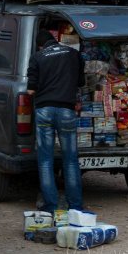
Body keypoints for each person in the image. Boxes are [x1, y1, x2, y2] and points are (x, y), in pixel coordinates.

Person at [27, 29, 85, 214]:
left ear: (40, 45)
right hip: (67, 111)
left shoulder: (38, 57)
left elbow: (30, 91)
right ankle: (75, 206)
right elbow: (81, 82)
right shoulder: (73, 54)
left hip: (44, 111)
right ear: (55, 40)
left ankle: (51, 206)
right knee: (71, 160)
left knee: (45, 161)